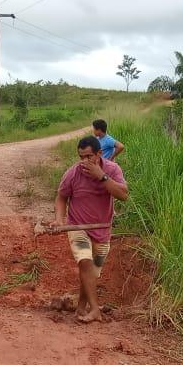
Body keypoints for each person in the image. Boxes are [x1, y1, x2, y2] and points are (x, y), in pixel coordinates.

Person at [54, 136, 128, 323]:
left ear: (99, 154)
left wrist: (101, 176)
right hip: (78, 227)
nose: (85, 162)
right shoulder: (73, 173)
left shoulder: (112, 170)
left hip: (102, 230)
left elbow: (123, 195)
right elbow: (61, 198)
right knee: (85, 263)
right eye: (81, 157)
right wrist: (59, 220)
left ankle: (80, 307)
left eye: (89, 157)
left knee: (91, 274)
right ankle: (95, 310)